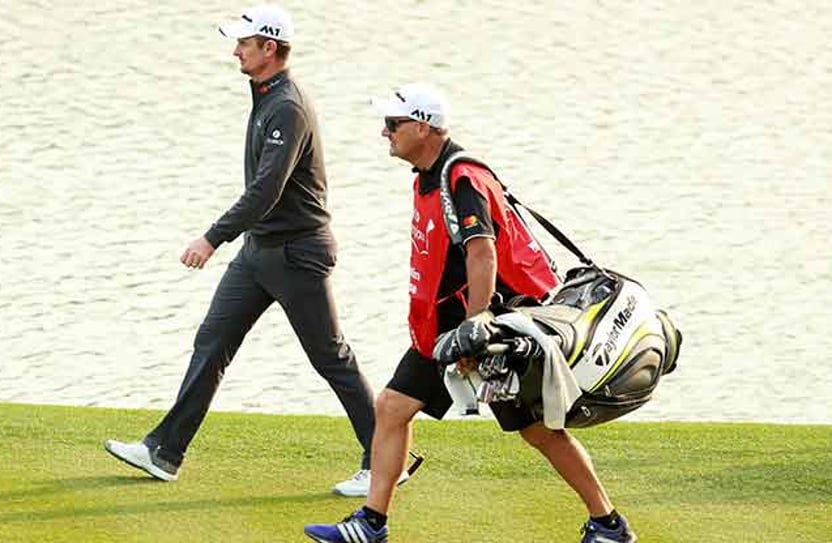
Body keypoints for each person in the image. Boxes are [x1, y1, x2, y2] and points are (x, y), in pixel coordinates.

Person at [303, 84, 637, 543]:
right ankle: (371, 523)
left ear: (423, 126)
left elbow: (483, 253)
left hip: (493, 328)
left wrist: (476, 327)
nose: (385, 133)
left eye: (393, 124)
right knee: (392, 407)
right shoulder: (429, 175)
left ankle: (608, 524)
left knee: (539, 431)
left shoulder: (461, 178)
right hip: (448, 328)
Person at [104, 4, 385, 495]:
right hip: (261, 251)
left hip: (298, 252)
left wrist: (212, 237)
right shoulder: (265, 95)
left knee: (331, 358)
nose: (235, 50)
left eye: (244, 43)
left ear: (269, 49)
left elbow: (265, 192)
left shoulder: (288, 106)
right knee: (211, 341)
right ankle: (164, 451)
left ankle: (384, 462)